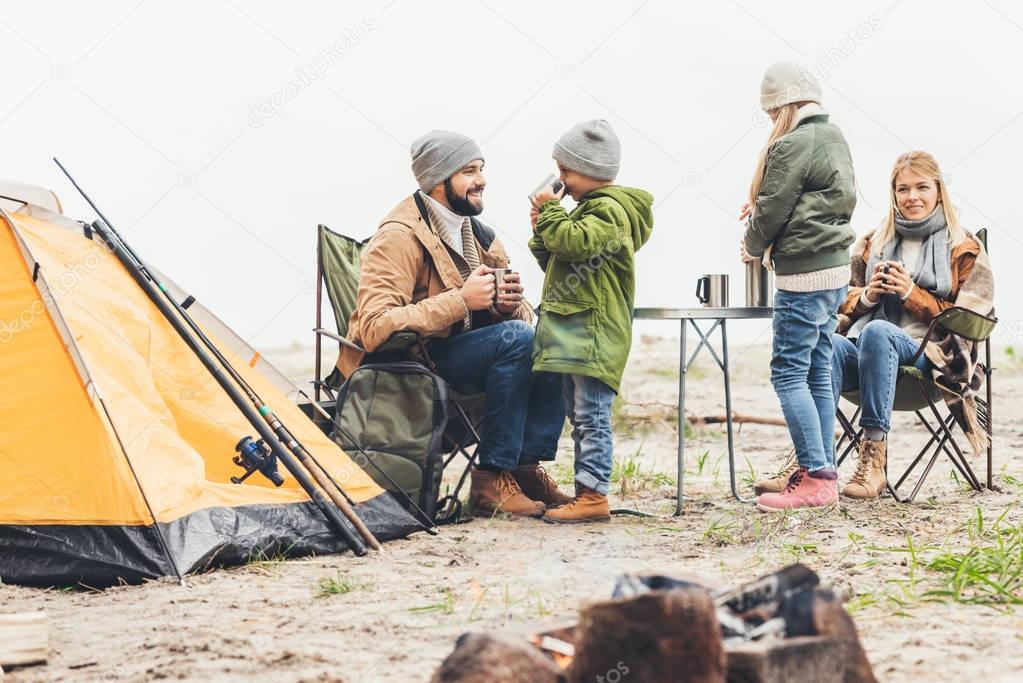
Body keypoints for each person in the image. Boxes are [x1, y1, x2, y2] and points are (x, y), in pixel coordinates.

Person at [338, 130, 569, 519]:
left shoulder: (478, 233)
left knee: (555, 333)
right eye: (468, 171)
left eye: (481, 169)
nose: (481, 180)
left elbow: (516, 321)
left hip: (463, 356)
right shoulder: (397, 236)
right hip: (410, 365)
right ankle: (491, 479)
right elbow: (374, 327)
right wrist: (461, 300)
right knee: (516, 338)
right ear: (436, 179)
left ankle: (525, 468)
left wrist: (506, 307)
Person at [828, 151, 994, 499]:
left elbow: (970, 319)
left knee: (879, 331)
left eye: (922, 187)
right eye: (903, 189)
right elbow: (839, 301)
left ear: (938, 191)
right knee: (826, 344)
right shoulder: (873, 243)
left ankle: (873, 459)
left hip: (931, 359)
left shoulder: (963, 247)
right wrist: (869, 296)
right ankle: (812, 462)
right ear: (893, 194)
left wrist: (911, 294)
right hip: (865, 358)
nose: (912, 196)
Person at [740, 62, 856, 513]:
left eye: (771, 113)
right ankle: (823, 468)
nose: (772, 122)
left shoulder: (791, 143)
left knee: (788, 372)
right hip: (835, 272)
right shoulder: (835, 137)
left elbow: (770, 214)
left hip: (802, 276)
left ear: (784, 106)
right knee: (818, 370)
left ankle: (817, 476)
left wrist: (752, 243)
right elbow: (818, 201)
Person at [528, 119, 654, 524]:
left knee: (591, 416)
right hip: (576, 333)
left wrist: (551, 213)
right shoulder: (587, 213)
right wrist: (542, 229)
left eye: (566, 171)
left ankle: (594, 495)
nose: (560, 180)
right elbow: (559, 260)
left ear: (593, 172)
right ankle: (586, 489)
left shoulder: (609, 213)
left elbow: (574, 243)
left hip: (594, 334)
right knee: (579, 414)